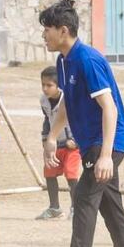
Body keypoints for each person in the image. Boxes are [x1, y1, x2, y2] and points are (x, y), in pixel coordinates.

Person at [40, 0, 124, 247]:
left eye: (47, 30)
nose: (44, 36)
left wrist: (105, 156)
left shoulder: (87, 60)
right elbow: (67, 104)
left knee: (85, 199)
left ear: (63, 30)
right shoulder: (63, 62)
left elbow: (109, 108)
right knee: (111, 207)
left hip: (107, 142)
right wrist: (52, 136)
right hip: (92, 145)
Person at [36, 65, 80, 221]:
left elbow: (80, 120)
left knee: (71, 174)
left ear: (58, 85)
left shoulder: (69, 99)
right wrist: (45, 139)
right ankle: (54, 208)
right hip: (55, 144)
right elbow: (47, 120)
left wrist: (75, 140)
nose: (45, 89)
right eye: (43, 85)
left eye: (49, 85)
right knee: (49, 172)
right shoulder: (43, 100)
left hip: (72, 146)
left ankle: (76, 208)